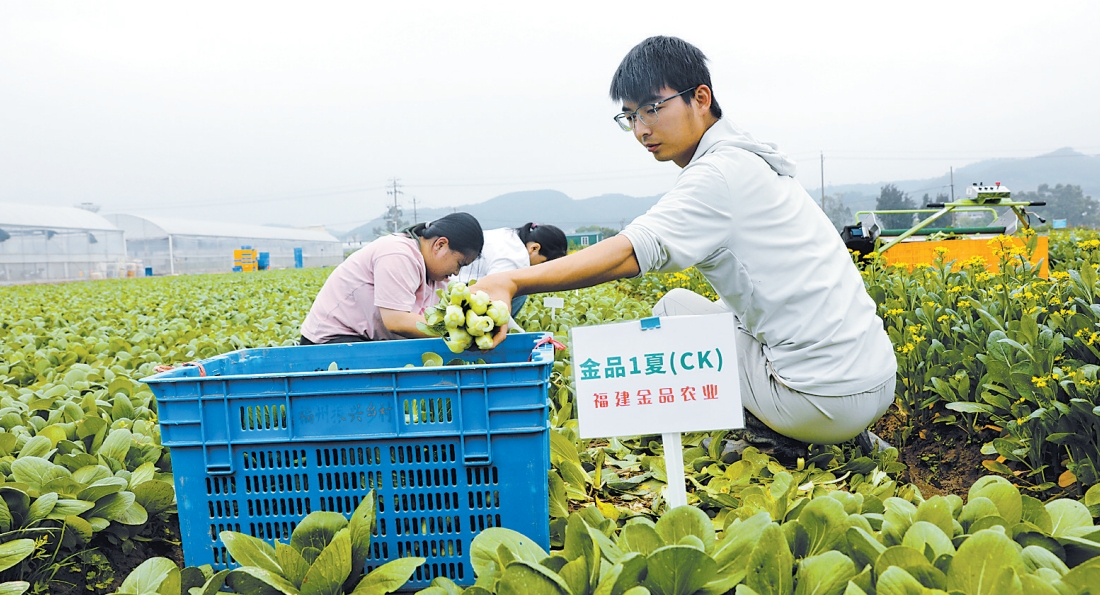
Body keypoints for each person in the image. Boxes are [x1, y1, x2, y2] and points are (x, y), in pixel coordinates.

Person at [475, 36, 897, 451]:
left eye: (652, 109)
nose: (641, 130)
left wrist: (513, 282)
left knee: (673, 324)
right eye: (630, 117)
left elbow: (628, 251)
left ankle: (783, 438)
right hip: (875, 378)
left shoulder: (716, 175)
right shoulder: (751, 159)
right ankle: (844, 434)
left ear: (700, 97)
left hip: (819, 399)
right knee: (676, 304)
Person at [299, 213, 483, 344]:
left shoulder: (435, 274)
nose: (457, 273)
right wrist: (458, 331)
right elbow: (396, 320)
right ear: (440, 245)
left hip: (364, 340)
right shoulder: (399, 253)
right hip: (331, 342)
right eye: (460, 264)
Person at [454, 222, 568, 315]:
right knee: (521, 289)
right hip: (457, 293)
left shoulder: (509, 235)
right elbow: (494, 296)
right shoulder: (516, 257)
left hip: (458, 286)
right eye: (543, 263)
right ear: (534, 248)